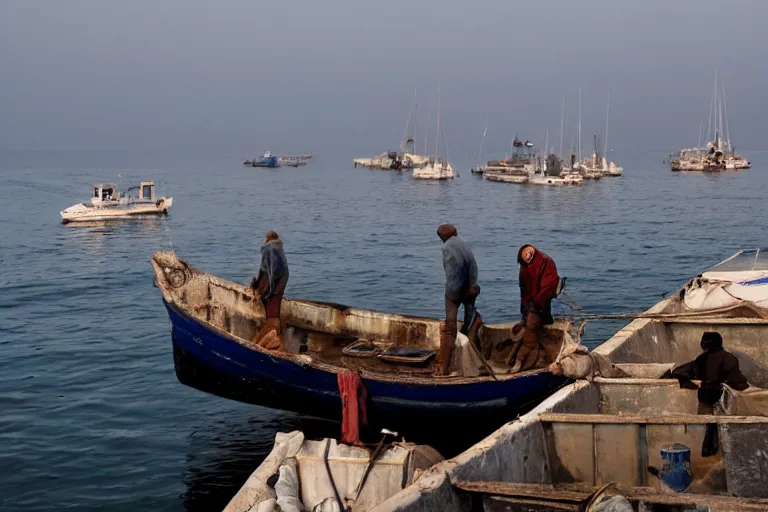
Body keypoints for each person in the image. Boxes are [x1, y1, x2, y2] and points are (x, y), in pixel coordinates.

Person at [436, 224, 481, 375]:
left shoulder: (447, 247)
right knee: (469, 320)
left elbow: (453, 272)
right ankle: (477, 357)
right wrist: (472, 286)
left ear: (442, 237)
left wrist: (453, 294)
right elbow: (473, 267)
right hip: (471, 288)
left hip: (458, 291)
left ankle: (444, 367)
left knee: (449, 327)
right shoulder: (463, 243)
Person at [513, 244, 560, 372]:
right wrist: (525, 310)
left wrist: (536, 305)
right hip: (530, 305)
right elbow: (524, 289)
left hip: (540, 306)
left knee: (532, 327)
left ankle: (522, 359)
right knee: (529, 324)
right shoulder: (525, 266)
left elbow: (548, 288)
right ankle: (524, 358)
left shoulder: (546, 262)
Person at [693, 331, 749, 414]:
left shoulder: (700, 359)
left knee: (705, 422)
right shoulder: (729, 358)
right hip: (725, 402)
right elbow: (737, 380)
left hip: (705, 399)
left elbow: (697, 376)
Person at [251, 231, 289, 350]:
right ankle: (273, 332)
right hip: (283, 279)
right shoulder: (279, 248)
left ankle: (272, 335)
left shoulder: (269, 249)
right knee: (275, 304)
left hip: (274, 281)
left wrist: (267, 292)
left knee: (271, 308)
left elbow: (268, 272)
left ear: (267, 238)